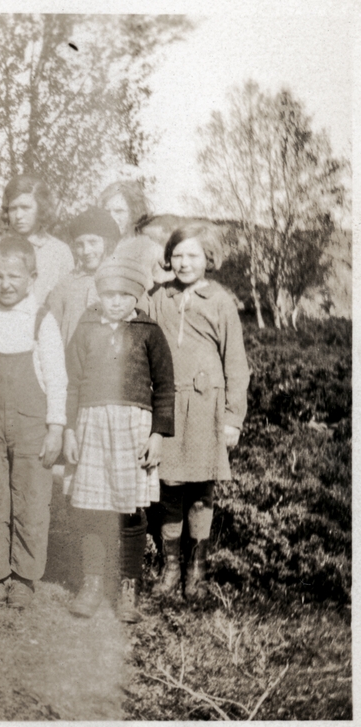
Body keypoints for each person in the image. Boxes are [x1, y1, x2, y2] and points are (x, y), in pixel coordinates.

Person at [0, 236, 67, 609]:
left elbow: (56, 380)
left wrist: (56, 427)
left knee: (31, 501)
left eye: (14, 276)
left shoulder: (42, 322)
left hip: (32, 425)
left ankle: (24, 577)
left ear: (31, 278)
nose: (5, 284)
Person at [63, 258, 174, 622]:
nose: (115, 301)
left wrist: (158, 433)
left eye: (123, 295)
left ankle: (129, 585)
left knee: (130, 510)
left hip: (133, 427)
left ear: (136, 296)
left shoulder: (149, 331)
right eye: (108, 294)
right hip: (92, 424)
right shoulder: (87, 326)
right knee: (93, 509)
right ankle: (92, 582)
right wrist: (69, 429)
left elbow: (165, 388)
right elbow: (72, 382)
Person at [148, 223, 249, 601]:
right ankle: (170, 567)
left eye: (193, 255)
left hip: (207, 408)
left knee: (202, 491)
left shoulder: (220, 301)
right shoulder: (159, 297)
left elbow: (236, 364)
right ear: (168, 258)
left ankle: (197, 572)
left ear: (209, 258)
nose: (185, 262)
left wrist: (232, 418)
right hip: (169, 406)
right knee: (170, 488)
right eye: (177, 255)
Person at [46, 207, 121, 344]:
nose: (86, 251)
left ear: (107, 243)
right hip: (72, 360)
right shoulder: (66, 284)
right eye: (80, 245)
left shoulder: (122, 281)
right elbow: (50, 329)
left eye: (93, 242)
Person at [1, 175, 73, 301]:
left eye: (25, 208)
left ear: (41, 208)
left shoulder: (60, 252)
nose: (18, 216)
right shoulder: (0, 249)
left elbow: (68, 301)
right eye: (13, 209)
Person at [100, 180, 172, 289]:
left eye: (119, 211)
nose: (112, 218)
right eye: (107, 212)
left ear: (134, 213)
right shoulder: (100, 248)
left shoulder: (150, 248)